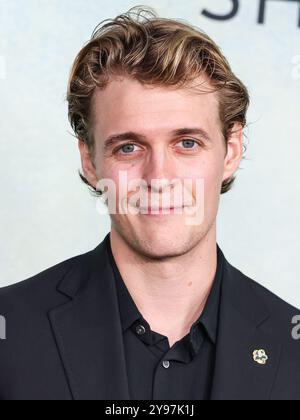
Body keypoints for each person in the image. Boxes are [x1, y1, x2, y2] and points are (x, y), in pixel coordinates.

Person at [0, 6, 299, 400]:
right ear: (90, 161)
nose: (158, 178)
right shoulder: (10, 332)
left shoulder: (291, 346)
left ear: (230, 151)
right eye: (128, 147)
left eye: (187, 143)